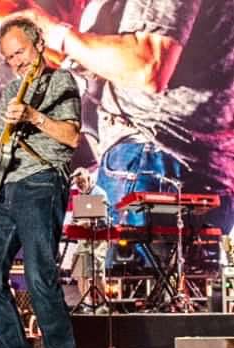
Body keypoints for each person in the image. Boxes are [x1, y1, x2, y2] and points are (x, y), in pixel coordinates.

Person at [15, 0, 234, 235]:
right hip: (204, 168)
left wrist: (55, 32)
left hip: (154, 161)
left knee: (132, 270)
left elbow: (147, 65)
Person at [0, 17, 80, 348]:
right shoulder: (11, 90)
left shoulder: (61, 81)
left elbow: (69, 137)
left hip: (41, 182)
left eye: (19, 52)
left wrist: (34, 117)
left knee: (39, 276)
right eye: (8, 57)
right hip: (5, 187)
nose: (15, 61)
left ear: (37, 43)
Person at [69, 167, 109, 313]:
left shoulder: (99, 193)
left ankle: (102, 304)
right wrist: (77, 223)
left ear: (88, 178)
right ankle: (87, 303)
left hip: (98, 239)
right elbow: (76, 218)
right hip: (83, 239)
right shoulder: (79, 196)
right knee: (80, 270)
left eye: (81, 182)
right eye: (77, 183)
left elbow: (104, 221)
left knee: (97, 271)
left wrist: (89, 222)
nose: (79, 186)